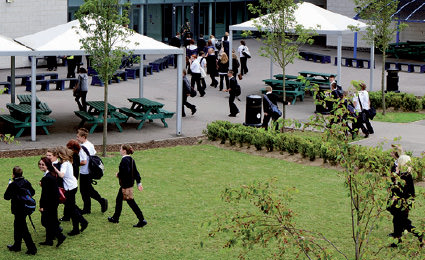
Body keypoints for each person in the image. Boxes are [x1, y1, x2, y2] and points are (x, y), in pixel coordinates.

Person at [387, 151, 423, 247]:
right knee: (397, 221)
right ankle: (397, 240)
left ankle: (419, 234)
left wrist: (395, 193)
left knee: (403, 222)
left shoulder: (405, 176)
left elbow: (401, 190)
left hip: (402, 203)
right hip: (402, 202)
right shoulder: (405, 174)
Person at [108, 144, 147, 228]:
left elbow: (126, 171)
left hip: (125, 185)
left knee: (130, 202)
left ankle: (141, 219)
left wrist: (119, 174)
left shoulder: (124, 160)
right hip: (129, 184)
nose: (119, 150)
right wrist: (139, 183)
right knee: (119, 200)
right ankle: (115, 217)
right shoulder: (131, 159)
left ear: (124, 151)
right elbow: (136, 172)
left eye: (120, 149)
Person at [54, 147, 88, 236]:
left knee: (71, 208)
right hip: (72, 186)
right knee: (72, 207)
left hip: (70, 188)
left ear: (61, 155)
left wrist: (54, 169)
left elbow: (61, 175)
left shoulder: (65, 164)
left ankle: (83, 222)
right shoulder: (68, 162)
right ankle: (76, 228)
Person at [4, 166, 37, 255]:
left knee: (23, 229)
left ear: (13, 174)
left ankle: (32, 248)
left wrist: (8, 187)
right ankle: (17, 245)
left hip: (17, 209)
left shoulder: (13, 184)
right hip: (25, 208)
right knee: (17, 226)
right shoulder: (26, 182)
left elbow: (6, 197)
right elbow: (33, 192)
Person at [76, 128, 108, 215]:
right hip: (90, 171)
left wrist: (75, 163)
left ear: (83, 136)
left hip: (84, 172)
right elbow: (93, 154)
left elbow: (83, 162)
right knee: (87, 190)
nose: (77, 138)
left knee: (86, 191)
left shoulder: (82, 148)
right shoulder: (90, 144)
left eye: (78, 137)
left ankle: (101, 201)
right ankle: (87, 208)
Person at [38, 157, 66, 248]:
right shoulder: (51, 174)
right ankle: (49, 240)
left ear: (47, 166)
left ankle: (59, 236)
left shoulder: (47, 177)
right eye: (40, 164)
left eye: (43, 165)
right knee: (51, 221)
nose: (41, 166)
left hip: (50, 203)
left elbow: (44, 194)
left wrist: (42, 206)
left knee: (46, 221)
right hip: (53, 202)